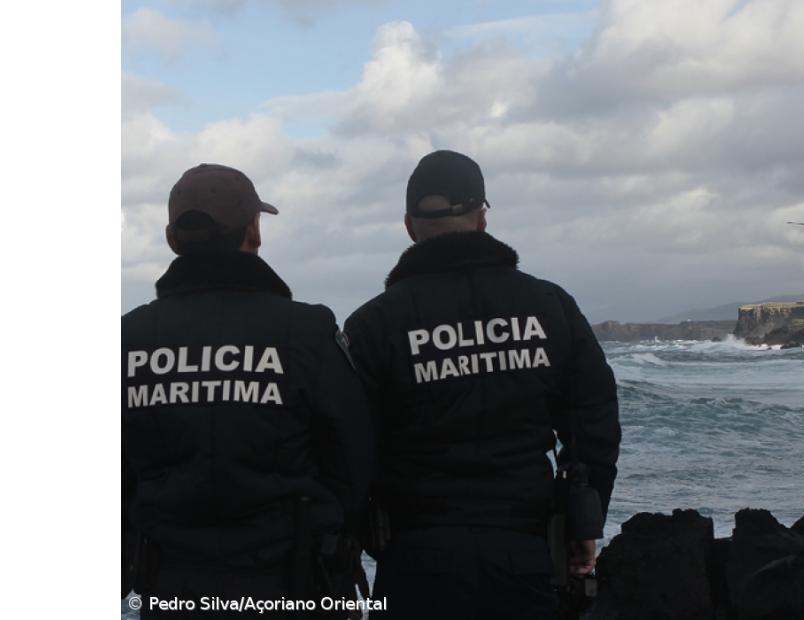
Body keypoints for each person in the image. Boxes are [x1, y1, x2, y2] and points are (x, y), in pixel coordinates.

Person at [343, 150, 621, 619]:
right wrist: (584, 520)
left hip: (415, 555)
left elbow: (347, 446)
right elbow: (594, 421)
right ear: (482, 218)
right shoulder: (549, 305)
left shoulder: (374, 324)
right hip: (526, 548)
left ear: (409, 227)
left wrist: (353, 539)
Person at [122, 163, 376, 618]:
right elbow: (354, 458)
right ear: (254, 231)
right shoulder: (308, 332)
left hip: (171, 589)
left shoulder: (128, 339)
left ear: (172, 239)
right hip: (294, 587)